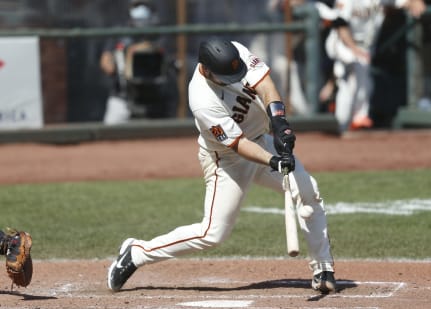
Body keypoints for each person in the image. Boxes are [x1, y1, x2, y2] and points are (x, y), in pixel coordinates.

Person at [107, 38, 337, 294]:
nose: (235, 79)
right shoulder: (201, 99)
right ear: (205, 70)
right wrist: (273, 160)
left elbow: (267, 86)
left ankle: (323, 268)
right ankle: (138, 252)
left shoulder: (235, 52)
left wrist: (280, 124)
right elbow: (237, 144)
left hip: (262, 139)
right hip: (228, 161)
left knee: (308, 191)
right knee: (212, 234)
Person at [321, 0, 426, 132]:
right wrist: (354, 48)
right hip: (343, 43)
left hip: (365, 47)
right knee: (349, 83)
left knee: (365, 83)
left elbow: (402, 2)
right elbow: (340, 24)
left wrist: (414, 2)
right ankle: (341, 123)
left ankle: (354, 117)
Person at [100, 0, 178, 124]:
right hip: (123, 97)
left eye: (144, 6)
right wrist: (121, 63)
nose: (140, 10)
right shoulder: (120, 31)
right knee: (109, 134)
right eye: (136, 6)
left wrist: (149, 50)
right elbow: (106, 61)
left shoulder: (161, 34)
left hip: (155, 98)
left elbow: (174, 63)